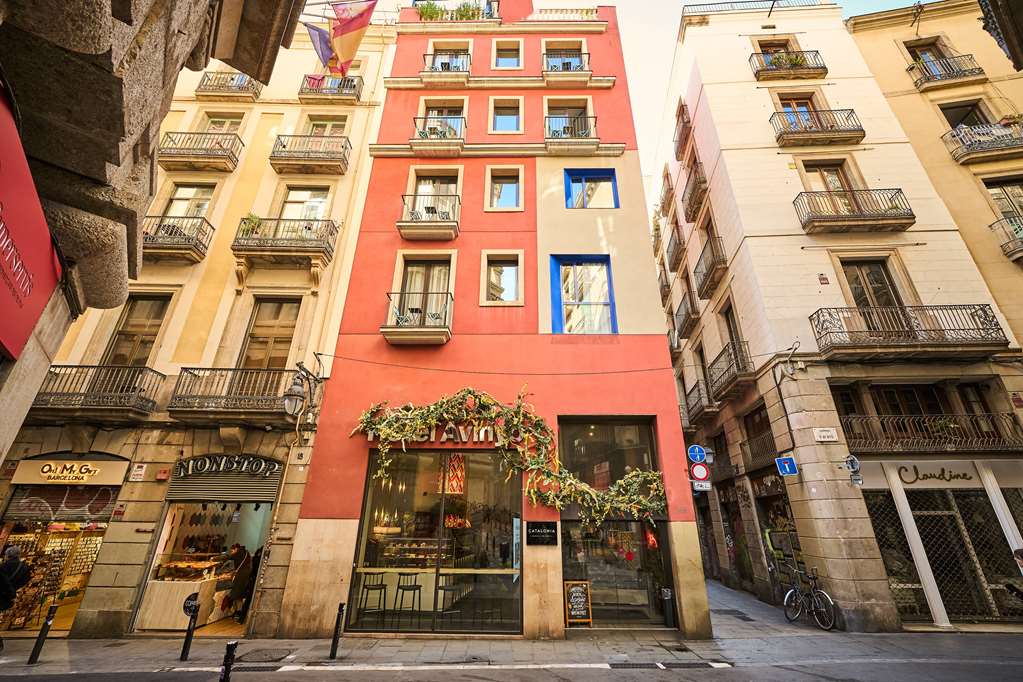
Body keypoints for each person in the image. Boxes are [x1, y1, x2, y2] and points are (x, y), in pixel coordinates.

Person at [0, 547, 30, 653]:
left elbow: (3, 582)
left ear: (7, 555)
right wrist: (16, 589)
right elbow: (26, 580)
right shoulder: (25, 567)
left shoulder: (3, 567)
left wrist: (10, 591)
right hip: (12, 596)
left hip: (3, 596)